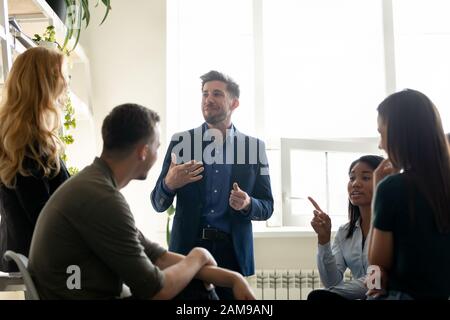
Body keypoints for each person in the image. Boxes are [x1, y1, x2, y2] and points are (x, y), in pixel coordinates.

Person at [28, 103, 255, 300]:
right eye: (157, 146)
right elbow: (156, 290)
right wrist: (198, 255)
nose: (159, 152)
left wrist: (233, 278)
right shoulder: (101, 198)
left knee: (191, 282)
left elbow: (158, 257)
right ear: (143, 152)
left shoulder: (94, 185)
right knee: (193, 290)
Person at [151, 70, 273, 299]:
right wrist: (169, 183)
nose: (208, 99)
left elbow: (267, 206)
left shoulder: (254, 148)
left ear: (234, 102)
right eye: (205, 93)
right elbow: (157, 202)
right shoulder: (181, 142)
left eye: (217, 94)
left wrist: (248, 203)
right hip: (186, 251)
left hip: (232, 254)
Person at [368, 89, 450, 300]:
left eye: (381, 133)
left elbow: (375, 265)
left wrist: (378, 192)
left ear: (400, 134)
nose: (380, 144)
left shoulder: (392, 188)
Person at [0, 47, 70, 272]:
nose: (67, 82)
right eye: (63, 75)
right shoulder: (30, 145)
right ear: (46, 83)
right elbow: (44, 216)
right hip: (40, 261)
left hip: (22, 253)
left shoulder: (17, 139)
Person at [307, 155, 383, 301]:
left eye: (365, 178)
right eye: (352, 178)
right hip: (360, 296)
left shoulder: (393, 228)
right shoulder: (344, 232)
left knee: (318, 297)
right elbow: (331, 282)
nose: (355, 184)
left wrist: (333, 293)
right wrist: (323, 240)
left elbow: (376, 281)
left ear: (384, 183)